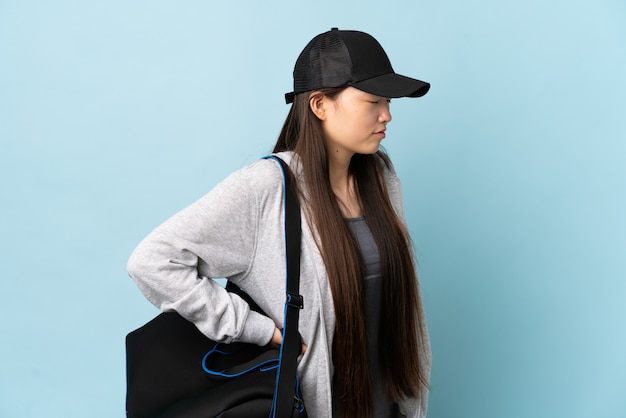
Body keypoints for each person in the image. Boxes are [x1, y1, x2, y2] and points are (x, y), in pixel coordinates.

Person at [127, 27, 431, 418]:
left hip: (388, 405)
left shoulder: (382, 180)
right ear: (320, 104)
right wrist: (256, 329)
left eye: (388, 101)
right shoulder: (269, 186)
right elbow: (152, 261)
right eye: (372, 100)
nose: (386, 114)